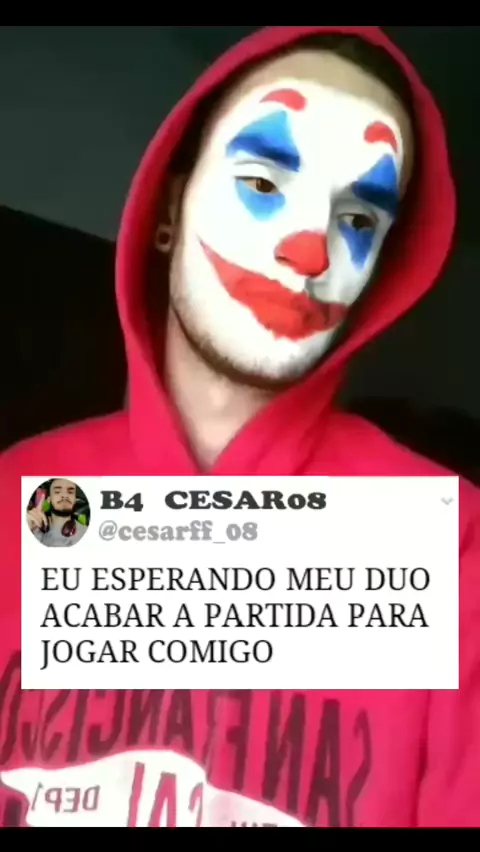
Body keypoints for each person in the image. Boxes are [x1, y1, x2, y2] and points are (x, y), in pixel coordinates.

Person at [0, 26, 478, 828]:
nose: (311, 251)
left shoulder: (451, 543)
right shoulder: (20, 494)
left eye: (359, 218)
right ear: (168, 209)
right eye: (261, 181)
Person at [26, 478, 87, 547]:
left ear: (75, 500)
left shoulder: (85, 532)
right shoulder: (33, 528)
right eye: (57, 491)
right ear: (49, 499)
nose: (65, 495)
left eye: (70, 492)